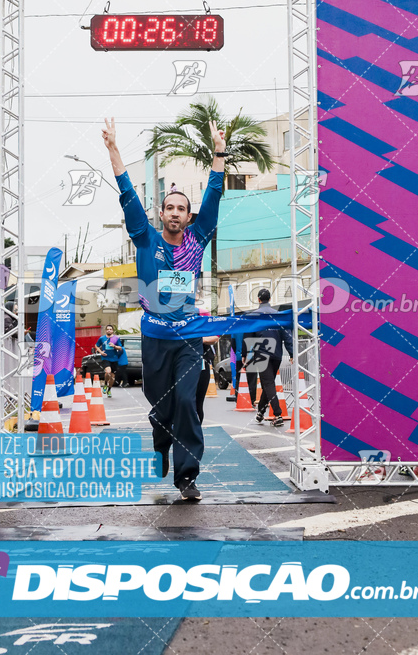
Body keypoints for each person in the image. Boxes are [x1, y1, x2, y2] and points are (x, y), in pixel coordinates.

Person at [102, 116, 225, 501]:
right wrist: (113, 150)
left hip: (189, 338)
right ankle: (161, 443)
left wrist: (219, 150)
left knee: (188, 402)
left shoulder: (198, 238)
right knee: (162, 408)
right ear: (161, 214)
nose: (174, 212)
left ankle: (187, 476)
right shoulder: (145, 239)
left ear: (189, 217)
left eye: (181, 208)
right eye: (168, 207)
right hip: (154, 337)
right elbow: (127, 196)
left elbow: (215, 194)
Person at [245, 288, 293, 427]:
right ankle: (260, 412)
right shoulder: (278, 315)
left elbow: (248, 335)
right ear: (270, 299)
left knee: (268, 383)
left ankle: (277, 414)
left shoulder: (254, 315)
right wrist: (291, 353)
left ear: (259, 300)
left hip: (262, 353)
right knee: (269, 382)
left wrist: (245, 355)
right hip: (277, 354)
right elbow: (287, 336)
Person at [93, 324, 124, 397]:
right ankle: (105, 384)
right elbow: (96, 345)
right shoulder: (102, 338)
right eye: (108, 329)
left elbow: (120, 348)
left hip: (114, 358)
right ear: (106, 330)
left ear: (112, 330)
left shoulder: (116, 338)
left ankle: (109, 390)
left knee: (112, 377)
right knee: (108, 371)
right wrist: (100, 352)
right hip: (105, 358)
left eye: (110, 329)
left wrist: (114, 346)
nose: (109, 330)